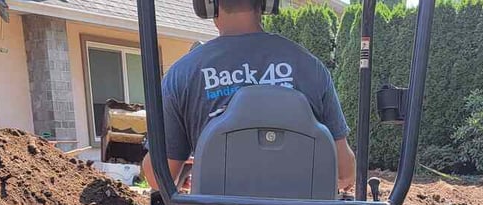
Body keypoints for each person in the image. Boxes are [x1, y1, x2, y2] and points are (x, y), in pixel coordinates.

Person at [140, 0, 356, 193]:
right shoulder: (310, 68)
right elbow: (345, 173)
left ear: (208, 4)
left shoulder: (182, 74)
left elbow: (159, 177)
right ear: (267, 3)